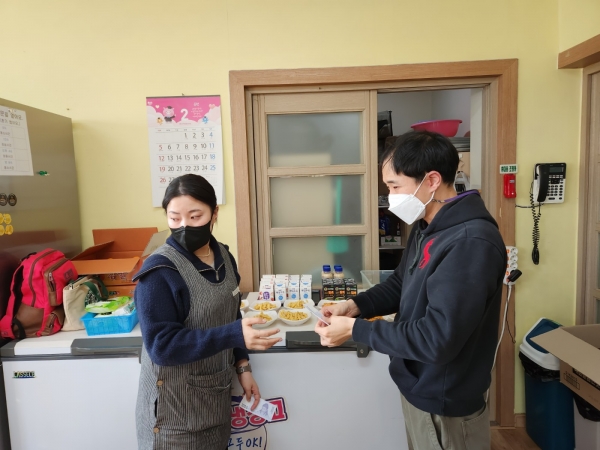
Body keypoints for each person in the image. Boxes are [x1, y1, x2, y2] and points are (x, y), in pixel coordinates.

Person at [315, 131, 506, 450]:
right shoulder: (427, 226)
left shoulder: (470, 242)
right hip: (418, 383)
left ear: (431, 180)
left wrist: (356, 330)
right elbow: (401, 282)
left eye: (394, 186)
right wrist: (356, 306)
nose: (390, 197)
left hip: (445, 399)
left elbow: (437, 339)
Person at [134, 174, 281, 450]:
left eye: (195, 216)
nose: (184, 226)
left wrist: (243, 366)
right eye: (174, 218)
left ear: (215, 213)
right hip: (174, 419)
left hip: (214, 404)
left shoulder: (223, 256)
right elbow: (161, 347)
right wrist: (234, 334)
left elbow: (231, 313)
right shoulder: (159, 272)